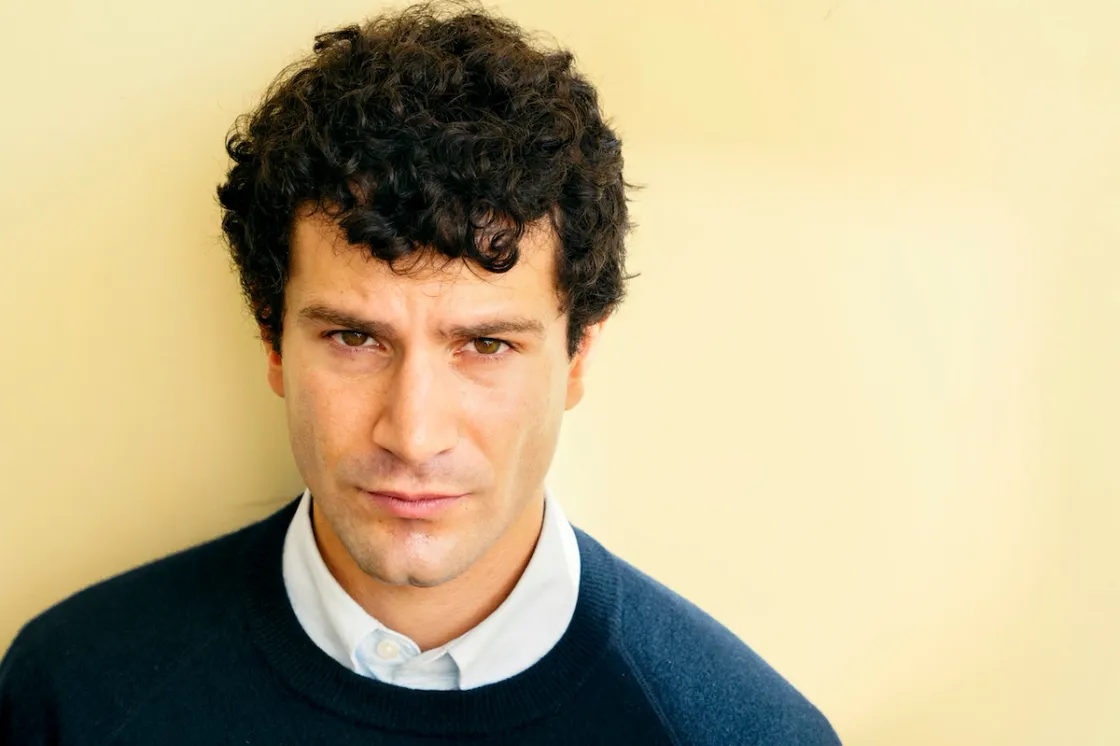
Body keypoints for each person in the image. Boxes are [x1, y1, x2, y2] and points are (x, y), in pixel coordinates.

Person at [0, 3, 841, 743]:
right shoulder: (75, 695)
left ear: (578, 355)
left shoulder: (747, 734)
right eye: (354, 338)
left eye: (486, 345)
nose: (412, 434)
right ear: (272, 341)